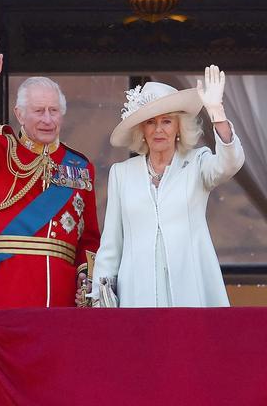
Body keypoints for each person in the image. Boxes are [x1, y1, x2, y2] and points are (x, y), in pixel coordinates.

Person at [0, 37, 101, 309]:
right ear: (19, 115)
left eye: (54, 111)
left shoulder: (80, 167)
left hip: (61, 295)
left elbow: (89, 237)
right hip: (4, 290)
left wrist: (85, 278)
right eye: (39, 111)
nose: (47, 119)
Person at [89, 65, 245, 307]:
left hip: (190, 290)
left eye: (167, 121)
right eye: (151, 122)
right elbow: (111, 244)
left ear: (179, 128)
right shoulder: (122, 174)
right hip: (137, 294)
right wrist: (101, 297)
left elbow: (230, 163)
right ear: (142, 130)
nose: (159, 129)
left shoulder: (197, 163)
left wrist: (217, 113)